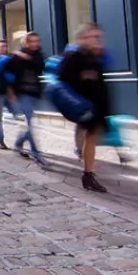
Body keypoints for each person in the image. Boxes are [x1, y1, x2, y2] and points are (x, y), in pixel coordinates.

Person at [59, 23, 110, 193]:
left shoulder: (94, 55)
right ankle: (88, 174)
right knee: (90, 138)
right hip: (84, 105)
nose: (96, 40)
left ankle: (88, 173)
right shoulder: (74, 57)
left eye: (98, 37)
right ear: (83, 38)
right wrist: (84, 76)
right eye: (92, 37)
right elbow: (64, 80)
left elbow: (100, 82)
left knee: (91, 138)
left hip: (95, 105)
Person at [11, 33, 46, 166]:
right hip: (22, 93)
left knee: (29, 123)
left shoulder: (38, 55)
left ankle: (19, 142)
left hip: (33, 92)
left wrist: (25, 57)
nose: (35, 44)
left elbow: (39, 67)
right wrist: (10, 92)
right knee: (30, 124)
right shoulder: (16, 57)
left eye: (37, 41)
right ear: (25, 43)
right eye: (32, 41)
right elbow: (9, 74)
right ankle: (37, 154)